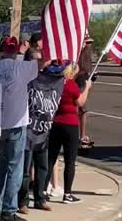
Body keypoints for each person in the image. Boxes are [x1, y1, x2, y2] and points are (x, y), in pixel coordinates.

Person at [0, 36, 38, 221]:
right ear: (16, 50)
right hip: (16, 123)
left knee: (2, 166)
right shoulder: (21, 68)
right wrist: (30, 51)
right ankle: (9, 210)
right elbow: (42, 63)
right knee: (14, 168)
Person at [18, 61, 66, 214]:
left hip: (44, 133)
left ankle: (40, 199)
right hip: (28, 132)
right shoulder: (31, 80)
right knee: (25, 171)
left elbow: (68, 68)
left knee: (43, 168)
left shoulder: (58, 83)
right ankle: (22, 201)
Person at [46, 61, 92, 204]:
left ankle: (42, 189)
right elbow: (80, 102)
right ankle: (67, 194)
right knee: (69, 161)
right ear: (71, 72)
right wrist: (87, 88)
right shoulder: (71, 85)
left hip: (56, 123)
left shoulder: (57, 83)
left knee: (51, 158)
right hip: (70, 124)